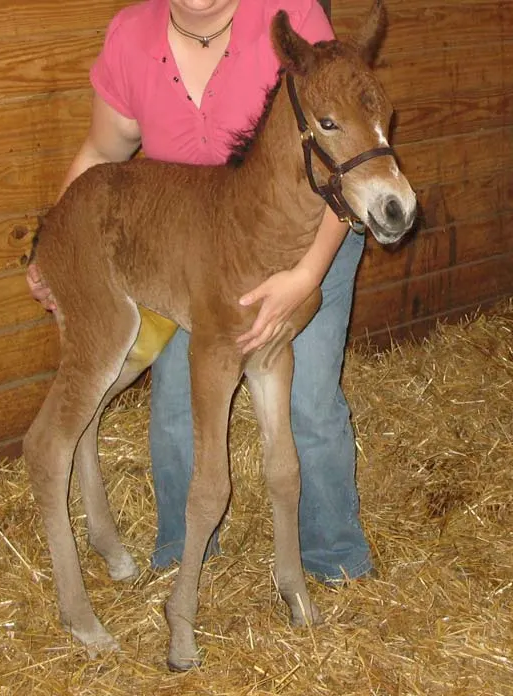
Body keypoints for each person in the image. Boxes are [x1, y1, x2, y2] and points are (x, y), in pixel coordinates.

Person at [26, 0, 374, 584]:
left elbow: (350, 151)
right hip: (191, 245)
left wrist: (305, 277)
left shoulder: (291, 16)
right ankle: (183, 559)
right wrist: (53, 244)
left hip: (308, 237)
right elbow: (101, 152)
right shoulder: (132, 36)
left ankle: (333, 559)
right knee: (173, 415)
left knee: (308, 403)